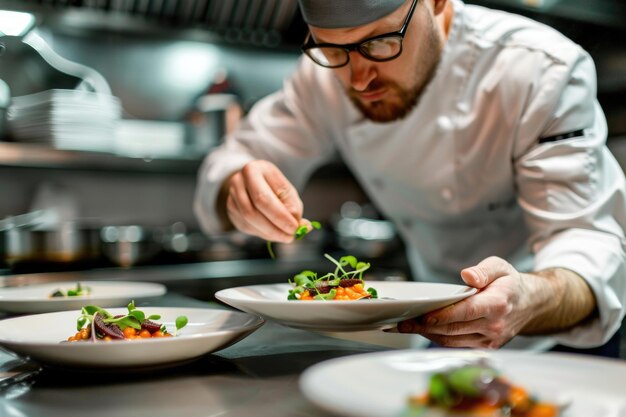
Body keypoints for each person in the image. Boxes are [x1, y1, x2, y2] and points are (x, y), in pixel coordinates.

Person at [194, 0, 626, 353]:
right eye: (332, 50)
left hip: (560, 328)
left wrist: (526, 299)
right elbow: (235, 159)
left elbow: (585, 243)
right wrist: (238, 187)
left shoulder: (540, 70)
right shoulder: (323, 78)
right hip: (442, 326)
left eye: (380, 42)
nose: (358, 80)